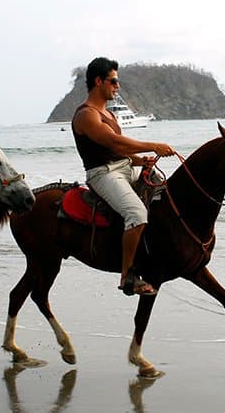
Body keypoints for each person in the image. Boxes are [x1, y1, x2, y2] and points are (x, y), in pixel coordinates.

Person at [71, 57, 174, 296]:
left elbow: (119, 150)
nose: (118, 86)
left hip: (125, 167)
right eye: (114, 81)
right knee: (136, 213)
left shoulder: (110, 115)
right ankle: (127, 275)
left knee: (163, 189)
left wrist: (141, 161)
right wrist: (153, 146)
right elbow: (112, 141)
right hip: (102, 174)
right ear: (99, 81)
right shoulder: (87, 115)